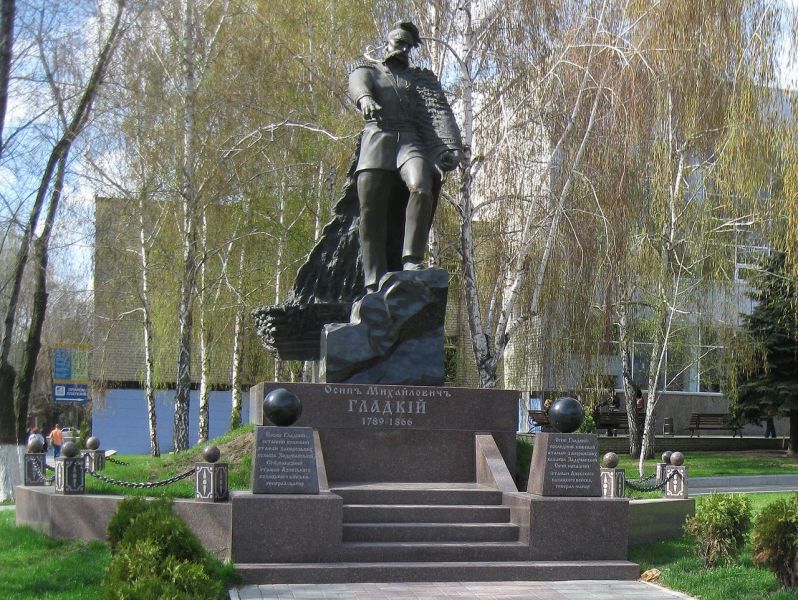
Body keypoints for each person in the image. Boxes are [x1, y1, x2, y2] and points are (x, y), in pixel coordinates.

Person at [348, 21, 463, 292]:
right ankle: (373, 280)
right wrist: (365, 99)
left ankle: (411, 259)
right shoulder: (368, 71)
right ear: (387, 43)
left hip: (410, 141)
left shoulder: (420, 80)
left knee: (421, 187)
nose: (402, 49)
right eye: (399, 43)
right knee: (371, 211)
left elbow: (439, 111)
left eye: (408, 46)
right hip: (378, 138)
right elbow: (358, 85)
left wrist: (451, 146)